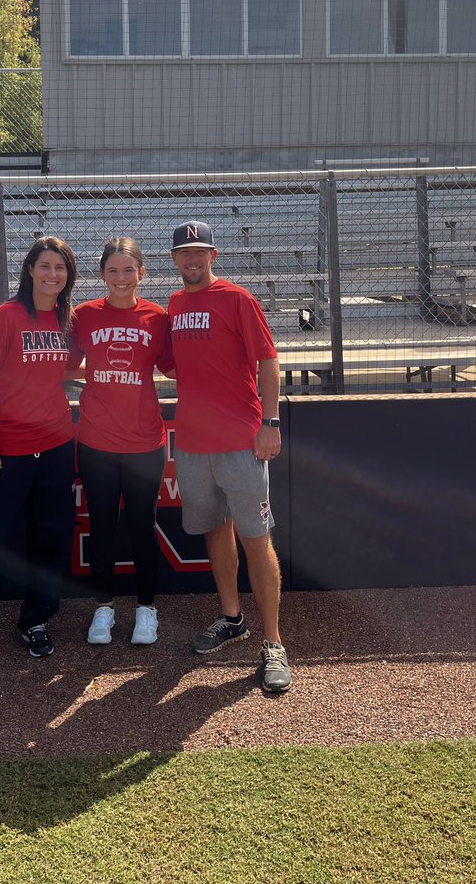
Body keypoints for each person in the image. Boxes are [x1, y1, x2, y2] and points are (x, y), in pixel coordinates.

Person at [168, 220, 291, 694]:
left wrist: (271, 422)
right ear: (174, 259)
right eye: (184, 253)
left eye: (200, 251)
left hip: (241, 440)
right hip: (194, 443)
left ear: (213, 255)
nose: (192, 259)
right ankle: (231, 618)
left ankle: (273, 642)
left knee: (256, 539)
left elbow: (267, 360)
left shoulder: (238, 299)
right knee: (215, 533)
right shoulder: (176, 305)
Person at [0, 236, 78, 672]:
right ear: (29, 270)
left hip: (58, 446)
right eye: (44, 266)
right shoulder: (6, 317)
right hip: (8, 451)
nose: (52, 275)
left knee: (51, 542)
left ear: (69, 275)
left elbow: (66, 369)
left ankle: (36, 621)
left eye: (60, 268)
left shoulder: (67, 318)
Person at [67, 237, 174, 646]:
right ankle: (103, 608)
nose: (121, 278)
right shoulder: (85, 316)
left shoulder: (157, 317)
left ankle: (147, 609)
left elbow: (172, 368)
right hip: (96, 441)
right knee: (102, 526)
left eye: (129, 270)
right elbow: (64, 365)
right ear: (102, 276)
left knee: (142, 527)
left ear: (141, 273)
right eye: (113, 270)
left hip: (145, 441)